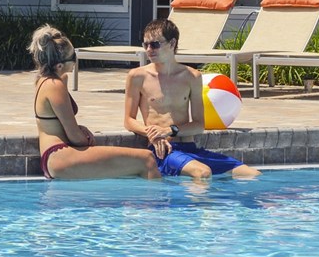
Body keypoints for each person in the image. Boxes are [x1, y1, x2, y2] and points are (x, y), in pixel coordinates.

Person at [124, 18, 260, 179]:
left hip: (190, 148)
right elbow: (128, 120)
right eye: (145, 45)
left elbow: (199, 124)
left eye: (155, 44)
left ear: (172, 43)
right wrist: (154, 133)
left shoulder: (192, 76)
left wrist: (169, 130)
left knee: (253, 174)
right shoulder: (137, 76)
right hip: (165, 150)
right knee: (202, 172)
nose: (149, 50)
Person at [29, 25, 160, 180]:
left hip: (55, 156)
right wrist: (86, 138)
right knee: (147, 159)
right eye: (73, 57)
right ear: (59, 65)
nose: (75, 61)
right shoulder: (54, 85)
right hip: (60, 156)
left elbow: (60, 123)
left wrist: (79, 128)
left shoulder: (45, 80)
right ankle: (161, 196)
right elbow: (74, 137)